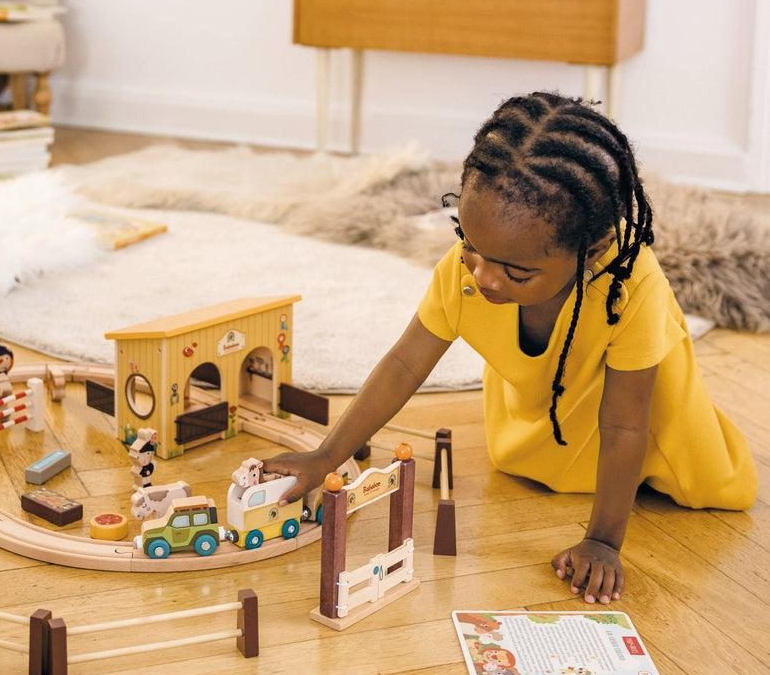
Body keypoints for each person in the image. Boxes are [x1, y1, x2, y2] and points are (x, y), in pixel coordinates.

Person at [263, 91, 757, 607]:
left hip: (645, 409)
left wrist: (603, 540)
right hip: (550, 414)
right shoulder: (467, 271)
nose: (484, 277)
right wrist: (325, 456)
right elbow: (405, 363)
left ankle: (640, 482)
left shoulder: (630, 286)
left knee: (703, 484)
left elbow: (625, 423)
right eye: (471, 246)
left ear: (591, 250)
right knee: (526, 464)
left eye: (516, 272)